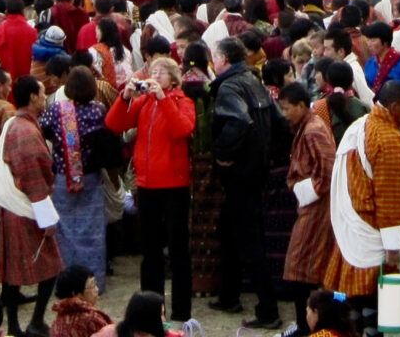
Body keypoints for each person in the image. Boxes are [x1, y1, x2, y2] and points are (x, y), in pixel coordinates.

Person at [104, 58, 195, 322]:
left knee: (178, 248)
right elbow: (114, 124)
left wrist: (163, 99)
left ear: (173, 79)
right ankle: (151, 310)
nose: (155, 76)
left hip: (174, 185)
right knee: (150, 250)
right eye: (152, 71)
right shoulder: (143, 103)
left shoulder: (181, 101)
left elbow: (183, 129)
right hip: (147, 184)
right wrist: (125, 97)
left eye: (161, 73)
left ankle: (181, 309)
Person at [323, 78, 400, 305]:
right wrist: (393, 246)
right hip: (372, 229)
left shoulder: (362, 124)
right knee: (373, 302)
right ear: (394, 107)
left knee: (349, 300)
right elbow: (391, 198)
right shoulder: (389, 140)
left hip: (353, 225)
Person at [0, 76, 64, 336]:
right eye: (42, 93)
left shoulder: (17, 123)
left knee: (12, 271)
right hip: (25, 205)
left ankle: (15, 325)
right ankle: (31, 322)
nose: (45, 97)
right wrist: (46, 217)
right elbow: (33, 177)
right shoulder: (26, 131)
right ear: (32, 97)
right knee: (50, 265)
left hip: (15, 205)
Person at [210, 37, 279, 325]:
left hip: (240, 173)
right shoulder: (253, 80)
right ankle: (229, 295)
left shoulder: (229, 86)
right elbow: (276, 119)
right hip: (257, 170)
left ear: (224, 59)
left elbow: (238, 121)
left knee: (249, 240)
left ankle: (268, 311)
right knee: (229, 231)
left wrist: (223, 154)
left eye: (215, 57)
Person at [279, 80, 337, 331]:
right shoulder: (306, 126)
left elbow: (328, 169)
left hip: (317, 206)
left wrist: (305, 192)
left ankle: (308, 326)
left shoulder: (313, 129)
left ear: (302, 105)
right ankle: (308, 324)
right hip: (311, 204)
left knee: (301, 265)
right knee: (304, 268)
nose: (284, 114)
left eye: (287, 108)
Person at [48, 267, 114, 337]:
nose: (97, 289)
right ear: (76, 294)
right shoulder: (91, 319)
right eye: (92, 286)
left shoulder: (58, 322)